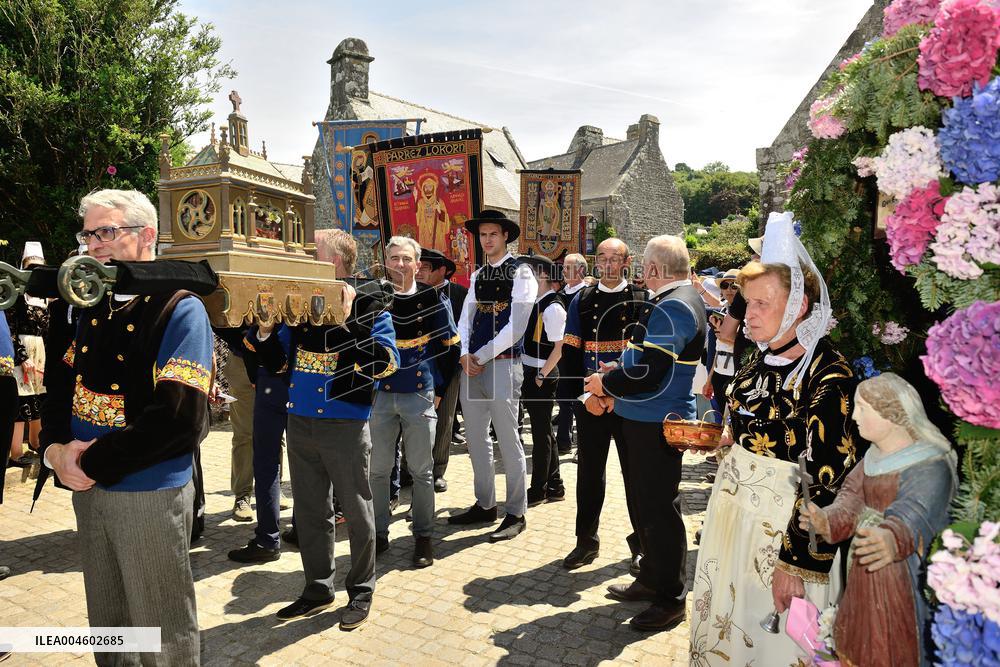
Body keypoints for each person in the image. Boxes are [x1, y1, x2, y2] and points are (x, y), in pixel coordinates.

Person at [40, 189, 211, 664]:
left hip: (148, 491)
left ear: (147, 235)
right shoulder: (91, 304)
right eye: (89, 233)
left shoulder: (179, 308)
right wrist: (55, 452)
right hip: (86, 485)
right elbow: (61, 384)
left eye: (107, 231)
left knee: (160, 629)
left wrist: (87, 461)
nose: (94, 243)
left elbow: (180, 420)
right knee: (109, 625)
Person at [689, 212, 867, 664]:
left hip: (784, 538)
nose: (747, 315)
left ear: (798, 306)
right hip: (734, 522)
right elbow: (749, 424)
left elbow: (829, 481)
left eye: (761, 304)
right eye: (746, 304)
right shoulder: (759, 360)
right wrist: (723, 439)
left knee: (773, 643)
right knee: (728, 629)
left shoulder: (830, 376)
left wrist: (798, 566)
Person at [252, 228, 397, 630]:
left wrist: (349, 324)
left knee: (356, 509)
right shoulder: (297, 305)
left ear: (334, 262)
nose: (300, 257)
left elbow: (386, 364)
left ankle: (362, 589)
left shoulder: (370, 306)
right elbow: (277, 361)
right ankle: (317, 587)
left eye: (310, 252)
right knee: (310, 510)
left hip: (344, 422)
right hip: (299, 420)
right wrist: (264, 330)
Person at [584, 235, 705, 631]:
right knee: (643, 503)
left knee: (658, 510)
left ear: (654, 269)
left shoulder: (676, 305)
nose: (641, 272)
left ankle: (671, 596)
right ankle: (652, 576)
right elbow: (645, 360)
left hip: (655, 420)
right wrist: (615, 372)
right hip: (643, 417)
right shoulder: (674, 300)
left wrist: (605, 385)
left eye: (643, 266)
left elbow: (650, 373)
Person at [799, 373, 956, 667]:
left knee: (892, 642)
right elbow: (850, 500)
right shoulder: (873, 457)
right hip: (863, 570)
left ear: (891, 413)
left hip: (900, 576)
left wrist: (892, 535)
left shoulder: (929, 462)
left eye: (862, 408)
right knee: (858, 641)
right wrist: (825, 520)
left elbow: (917, 511)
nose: (855, 416)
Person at [369, 236, 458, 567]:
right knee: (378, 470)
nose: (400, 265)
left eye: (406, 259)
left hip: (419, 393)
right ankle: (378, 533)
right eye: (394, 258)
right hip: (381, 396)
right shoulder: (374, 296)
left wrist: (439, 390)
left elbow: (449, 346)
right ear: (386, 261)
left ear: (417, 264)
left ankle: (423, 536)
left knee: (421, 471)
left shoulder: (432, 298)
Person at [449, 210, 536, 541]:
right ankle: (485, 504)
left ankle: (516, 511)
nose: (487, 240)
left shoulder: (521, 272)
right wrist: (463, 353)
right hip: (472, 365)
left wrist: (481, 355)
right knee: (475, 438)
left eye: (493, 234)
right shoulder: (478, 273)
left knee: (507, 439)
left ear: (505, 237)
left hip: (502, 365)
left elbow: (517, 326)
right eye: (483, 235)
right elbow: (465, 318)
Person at [560, 239, 646, 572]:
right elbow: (570, 356)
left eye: (615, 259)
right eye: (603, 259)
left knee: (636, 477)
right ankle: (586, 541)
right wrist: (585, 397)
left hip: (629, 405)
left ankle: (642, 545)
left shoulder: (641, 300)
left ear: (627, 262)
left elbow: (644, 361)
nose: (608, 265)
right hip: (590, 404)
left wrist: (615, 395)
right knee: (589, 475)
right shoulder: (581, 300)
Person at [227, 324, 291, 564]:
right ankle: (293, 532)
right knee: (256, 447)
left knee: (272, 461)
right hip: (275, 378)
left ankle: (270, 538)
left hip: (276, 381)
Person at [415, 247, 468, 491]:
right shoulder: (410, 294)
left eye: (425, 268)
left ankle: (438, 470)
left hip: (448, 363)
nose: (419, 272)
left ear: (443, 270)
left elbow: (464, 330)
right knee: (413, 418)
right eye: (419, 266)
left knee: (444, 418)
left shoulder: (459, 294)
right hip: (417, 366)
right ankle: (410, 468)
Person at [518, 255, 567, 507]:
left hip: (541, 375)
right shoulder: (537, 302)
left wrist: (540, 375)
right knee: (544, 431)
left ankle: (539, 488)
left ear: (544, 277)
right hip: (531, 371)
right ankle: (555, 484)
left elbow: (559, 349)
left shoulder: (553, 307)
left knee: (541, 434)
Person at [7, 242, 48, 468]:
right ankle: (15, 452)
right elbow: (11, 329)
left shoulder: (45, 297)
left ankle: (36, 443)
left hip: (41, 352)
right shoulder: (17, 295)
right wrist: (22, 357)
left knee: (38, 400)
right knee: (21, 404)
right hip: (23, 354)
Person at [555, 253, 588, 454]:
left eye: (568, 267)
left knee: (581, 401)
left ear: (581, 271)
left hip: (581, 355)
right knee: (563, 397)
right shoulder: (560, 294)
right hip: (561, 353)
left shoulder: (587, 294)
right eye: (564, 267)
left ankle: (583, 448)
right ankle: (564, 439)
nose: (564, 271)